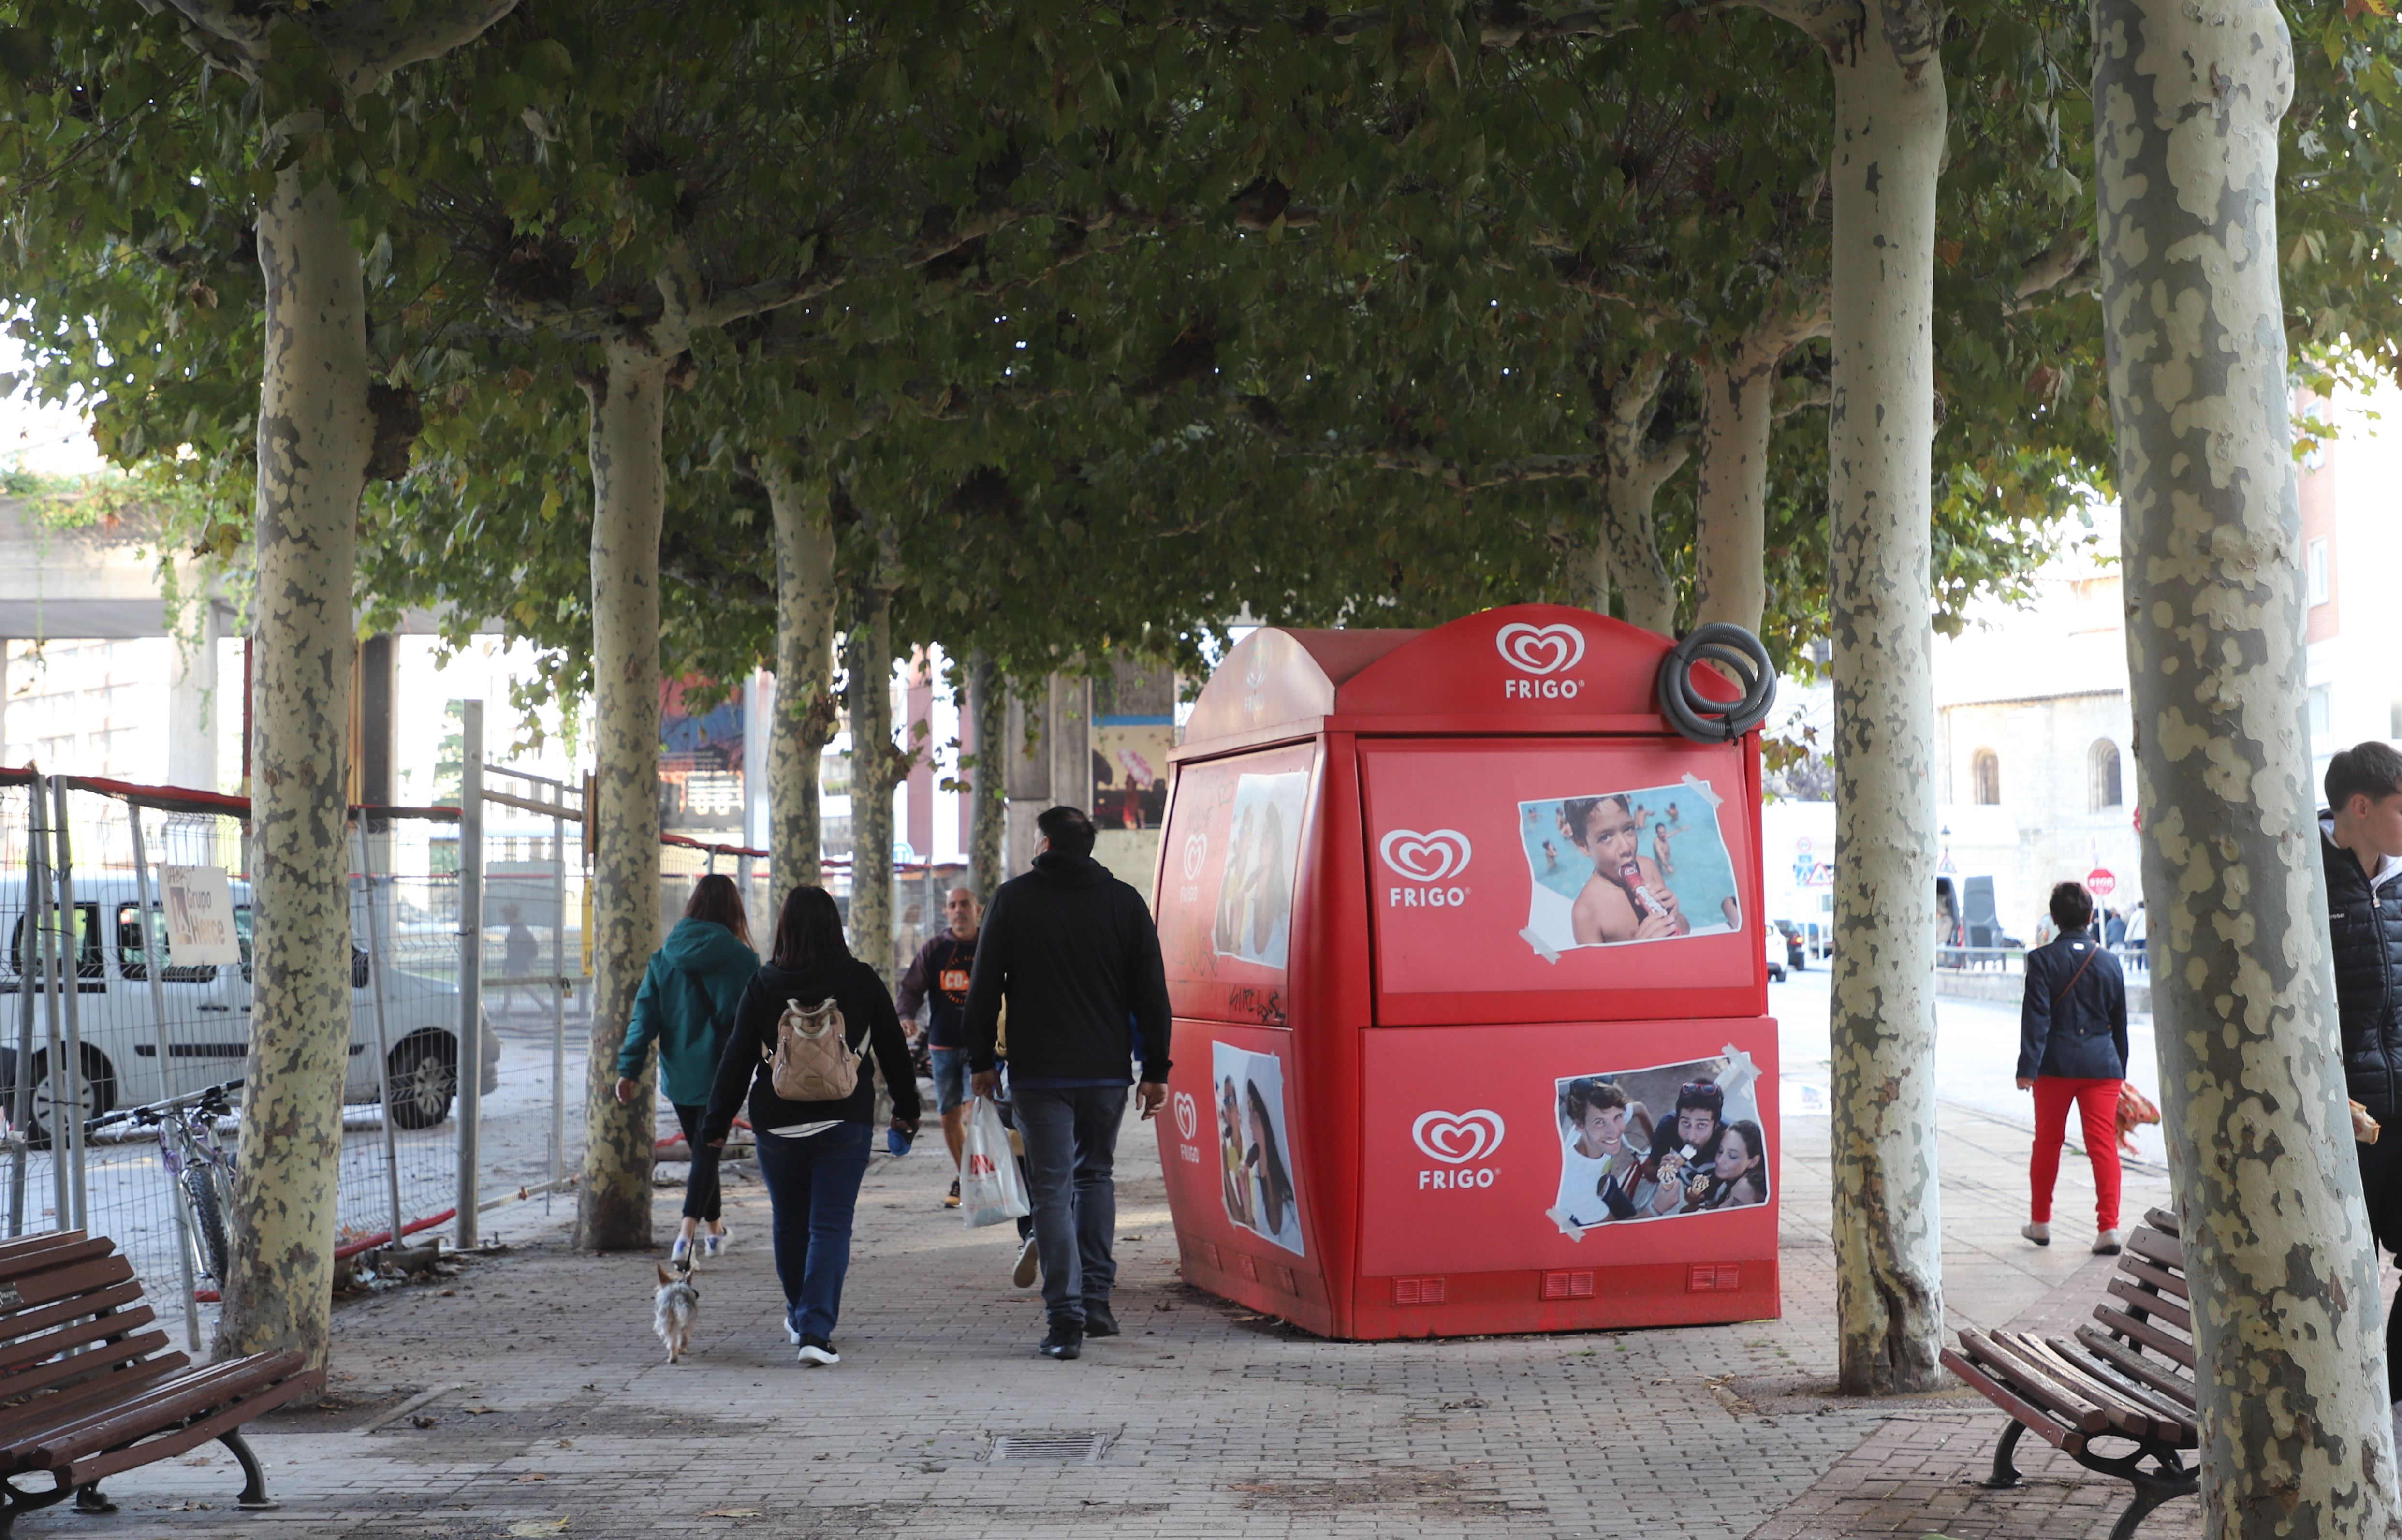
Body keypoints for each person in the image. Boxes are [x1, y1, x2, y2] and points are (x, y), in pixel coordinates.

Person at [964, 805, 1172, 1362]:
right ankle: (1098, 1300)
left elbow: (983, 988)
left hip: (1039, 1073)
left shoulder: (1013, 900)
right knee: (1096, 1176)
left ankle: (1065, 1319)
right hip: (1106, 1072)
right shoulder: (1125, 901)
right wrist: (1156, 1069)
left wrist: (981, 1060)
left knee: (1052, 1191)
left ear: (1048, 843)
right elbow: (1152, 991)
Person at [702, 885, 919, 1366]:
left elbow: (737, 1058)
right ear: (834, 926)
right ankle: (815, 1329)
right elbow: (892, 1048)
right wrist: (907, 1109)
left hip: (777, 1124)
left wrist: (716, 1123)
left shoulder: (764, 982)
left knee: (789, 1220)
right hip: (846, 1120)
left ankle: (802, 1316)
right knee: (830, 1224)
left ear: (784, 927)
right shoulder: (861, 979)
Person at [613, 875, 758, 1264]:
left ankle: (716, 1231)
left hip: (679, 1076)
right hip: (724, 1075)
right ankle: (685, 1235)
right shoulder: (744, 960)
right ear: (734, 911)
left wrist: (629, 1069)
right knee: (707, 1154)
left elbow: (644, 1019)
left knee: (702, 1151)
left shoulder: (663, 958)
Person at [2321, 742, 2402, 1404]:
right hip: (2339, 1120)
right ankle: (2344, 1404)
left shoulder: (2398, 886)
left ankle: (2390, 1401)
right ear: (2362, 806)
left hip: (2398, 1115)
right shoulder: (2305, 879)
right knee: (2344, 1277)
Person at [2016, 880, 2129, 1255]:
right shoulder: (2110, 962)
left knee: (2048, 1141)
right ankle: (2109, 1227)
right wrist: (2121, 1071)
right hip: (2103, 1065)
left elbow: (2036, 1019)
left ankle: (2041, 1222)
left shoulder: (2041, 960)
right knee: (2102, 1145)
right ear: (2091, 916)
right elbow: (2120, 1023)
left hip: (2055, 1065)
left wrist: (2027, 1067)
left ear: (2054, 918)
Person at [895, 886, 982, 1209]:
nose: (958, 909)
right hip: (943, 1046)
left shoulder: (992, 946)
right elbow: (912, 988)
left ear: (978, 909)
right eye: (952, 905)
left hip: (981, 1047)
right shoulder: (935, 949)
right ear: (946, 912)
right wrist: (905, 1015)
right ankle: (966, 1178)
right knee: (949, 1118)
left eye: (964, 904)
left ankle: (982, 1175)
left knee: (977, 1112)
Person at [1559, 795, 1689, 945]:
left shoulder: (1648, 867)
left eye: (1628, 829)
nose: (1626, 848)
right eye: (1606, 837)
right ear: (1583, 846)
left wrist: (1675, 918)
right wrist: (1638, 953)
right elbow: (1595, 969)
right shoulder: (1587, 912)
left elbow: (1685, 929)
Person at [1552, 1078, 1653, 1227]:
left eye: (1618, 1117)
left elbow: (1639, 1109)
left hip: (1606, 1187)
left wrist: (1657, 1148)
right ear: (1580, 1125)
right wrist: (1656, 1210)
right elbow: (1614, 1231)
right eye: (1599, 1122)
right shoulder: (1575, 1186)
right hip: (1574, 1220)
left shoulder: (1604, 1119)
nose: (1614, 1132)